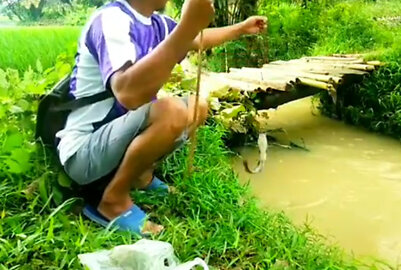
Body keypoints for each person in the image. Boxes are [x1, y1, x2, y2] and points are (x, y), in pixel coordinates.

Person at [55, 0, 267, 235]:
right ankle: (112, 200)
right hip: (84, 153)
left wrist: (240, 28)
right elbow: (128, 94)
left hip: (113, 141)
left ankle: (141, 176)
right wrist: (187, 27)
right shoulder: (111, 20)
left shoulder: (156, 23)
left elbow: (195, 38)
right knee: (172, 111)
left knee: (198, 106)